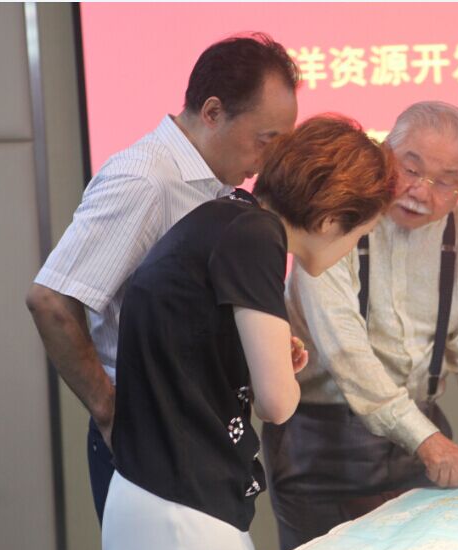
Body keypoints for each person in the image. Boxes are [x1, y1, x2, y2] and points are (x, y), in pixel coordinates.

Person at [100, 115, 396, 550]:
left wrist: (267, 360)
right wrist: (282, 375)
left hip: (156, 496)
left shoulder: (224, 218)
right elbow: (276, 405)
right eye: (359, 235)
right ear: (330, 220)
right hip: (183, 508)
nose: (352, 248)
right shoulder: (256, 237)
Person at [25, 33, 299, 521]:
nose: (270, 159)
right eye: (265, 140)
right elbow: (50, 300)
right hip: (148, 430)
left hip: (202, 428)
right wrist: (109, 411)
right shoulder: (145, 179)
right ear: (212, 112)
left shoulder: (215, 182)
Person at [263, 101, 458, 550]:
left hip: (419, 434)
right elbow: (346, 353)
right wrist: (427, 440)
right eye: (411, 169)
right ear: (385, 154)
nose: (421, 191)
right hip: (323, 443)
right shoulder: (337, 215)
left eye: (446, 181)